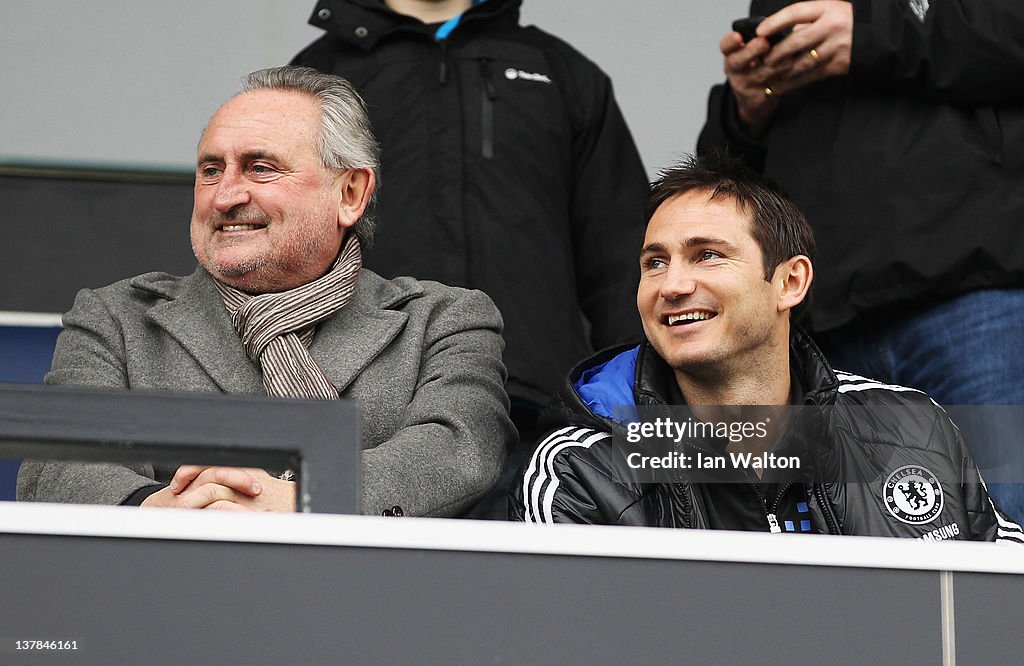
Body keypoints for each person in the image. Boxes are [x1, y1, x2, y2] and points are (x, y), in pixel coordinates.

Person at [17, 66, 516, 516]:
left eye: (260, 167)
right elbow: (59, 461)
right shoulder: (115, 318)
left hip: (373, 602)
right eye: (211, 171)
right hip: (166, 592)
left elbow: (460, 448)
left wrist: (306, 502)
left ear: (350, 194)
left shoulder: (444, 320)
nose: (227, 196)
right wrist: (157, 509)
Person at [510, 152, 1022, 544]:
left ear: (790, 282)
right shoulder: (581, 467)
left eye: (707, 255)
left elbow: (1001, 606)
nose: (671, 285)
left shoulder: (915, 425)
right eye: (655, 263)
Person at [292, 0, 649, 516]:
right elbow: (280, 244)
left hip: (535, 422)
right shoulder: (317, 77)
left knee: (529, 597)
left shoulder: (561, 72)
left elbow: (624, 263)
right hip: (359, 417)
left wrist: (638, 418)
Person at [696, 0, 1024, 523]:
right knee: (841, 560)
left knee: (1004, 538)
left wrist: (871, 34)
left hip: (973, 291)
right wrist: (747, 111)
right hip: (818, 323)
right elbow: (740, 185)